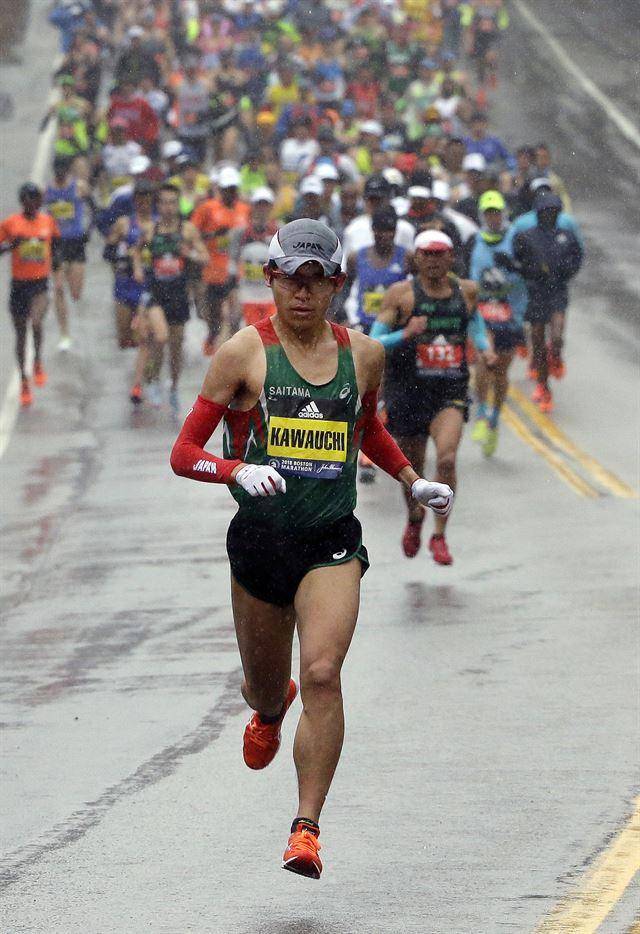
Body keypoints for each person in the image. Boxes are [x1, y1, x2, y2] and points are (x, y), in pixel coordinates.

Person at [170, 219, 453, 879]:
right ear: (270, 279)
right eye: (289, 279)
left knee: (324, 673)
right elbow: (183, 452)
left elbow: (368, 428)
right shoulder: (243, 353)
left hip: (331, 543)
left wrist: (415, 482)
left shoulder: (363, 356)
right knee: (267, 686)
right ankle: (269, 707)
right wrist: (236, 471)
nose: (301, 292)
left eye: (314, 280)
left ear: (335, 285)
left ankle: (306, 829)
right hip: (261, 544)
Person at [371, 230, 496, 564]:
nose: (434, 260)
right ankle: (415, 518)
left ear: (451, 257)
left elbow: (477, 326)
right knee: (411, 469)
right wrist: (405, 333)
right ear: (417, 258)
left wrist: (486, 350)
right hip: (407, 391)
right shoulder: (401, 295)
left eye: (440, 254)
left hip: (449, 391)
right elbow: (374, 341)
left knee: (446, 460)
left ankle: (440, 535)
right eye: (427, 254)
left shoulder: (466, 291)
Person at [133, 183, 208, 411]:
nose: (168, 207)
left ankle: (173, 386)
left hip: (179, 295)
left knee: (176, 348)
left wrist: (190, 254)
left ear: (178, 205)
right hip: (157, 295)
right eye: (164, 202)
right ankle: (153, 380)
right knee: (161, 337)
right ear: (158, 205)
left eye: (172, 202)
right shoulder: (150, 231)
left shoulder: (187, 231)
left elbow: (205, 258)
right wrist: (137, 267)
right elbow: (136, 250)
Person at [506, 191, 582, 412]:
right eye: (545, 211)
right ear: (538, 213)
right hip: (536, 292)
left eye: (553, 211)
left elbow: (576, 258)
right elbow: (517, 261)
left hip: (557, 291)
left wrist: (565, 271)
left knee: (556, 336)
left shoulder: (566, 236)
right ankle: (543, 385)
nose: (549, 215)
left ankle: (556, 354)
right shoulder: (527, 236)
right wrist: (527, 270)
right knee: (538, 342)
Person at [468, 190, 526, 456]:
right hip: (483, 314)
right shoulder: (473, 242)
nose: (493, 218)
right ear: (482, 215)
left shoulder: (517, 239)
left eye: (497, 212)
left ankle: (493, 419)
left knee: (501, 372)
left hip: (510, 315)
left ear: (503, 214)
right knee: (484, 360)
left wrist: (515, 264)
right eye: (489, 213)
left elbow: (533, 270)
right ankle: (481, 412)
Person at [0, 183, 60, 406]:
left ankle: (37, 361)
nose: (32, 204)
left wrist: (59, 273)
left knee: (36, 322)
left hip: (39, 285)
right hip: (19, 287)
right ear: (22, 201)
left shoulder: (48, 222)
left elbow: (56, 248)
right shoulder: (10, 224)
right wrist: (10, 246)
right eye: (28, 200)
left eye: (36, 200)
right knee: (20, 335)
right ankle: (24, 381)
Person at [192, 166, 250, 356]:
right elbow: (192, 233)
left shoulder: (245, 209)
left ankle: (230, 354)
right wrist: (211, 235)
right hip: (213, 270)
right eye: (227, 189)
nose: (231, 192)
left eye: (234, 188)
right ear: (221, 189)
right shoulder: (208, 208)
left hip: (237, 270)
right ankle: (212, 335)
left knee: (232, 315)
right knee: (214, 314)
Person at [44, 156, 90, 350]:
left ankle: (67, 331)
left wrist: (88, 231)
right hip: (57, 244)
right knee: (59, 288)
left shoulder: (78, 187)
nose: (61, 175)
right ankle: (64, 334)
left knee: (76, 293)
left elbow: (92, 208)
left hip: (76, 243)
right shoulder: (46, 191)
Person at [230, 187, 279, 327]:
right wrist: (233, 292)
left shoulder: (280, 232)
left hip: (270, 296)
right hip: (247, 295)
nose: (262, 209)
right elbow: (232, 264)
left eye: (265, 205)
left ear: (271, 207)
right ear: (253, 206)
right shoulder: (240, 233)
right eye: (259, 204)